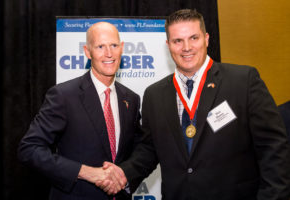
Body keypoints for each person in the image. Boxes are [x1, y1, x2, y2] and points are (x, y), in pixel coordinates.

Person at [101, 9, 290, 199]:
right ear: (168, 45)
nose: (186, 47)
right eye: (178, 41)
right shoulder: (154, 95)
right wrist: (123, 174)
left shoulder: (243, 81)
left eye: (194, 38)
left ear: (206, 39)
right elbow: (149, 150)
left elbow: (273, 147)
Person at [18, 22, 141, 200]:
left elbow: (137, 150)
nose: (108, 53)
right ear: (87, 52)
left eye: (113, 45)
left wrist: (124, 177)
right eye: (100, 46)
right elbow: (29, 149)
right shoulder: (63, 95)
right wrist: (86, 172)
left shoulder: (131, 99)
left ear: (121, 48)